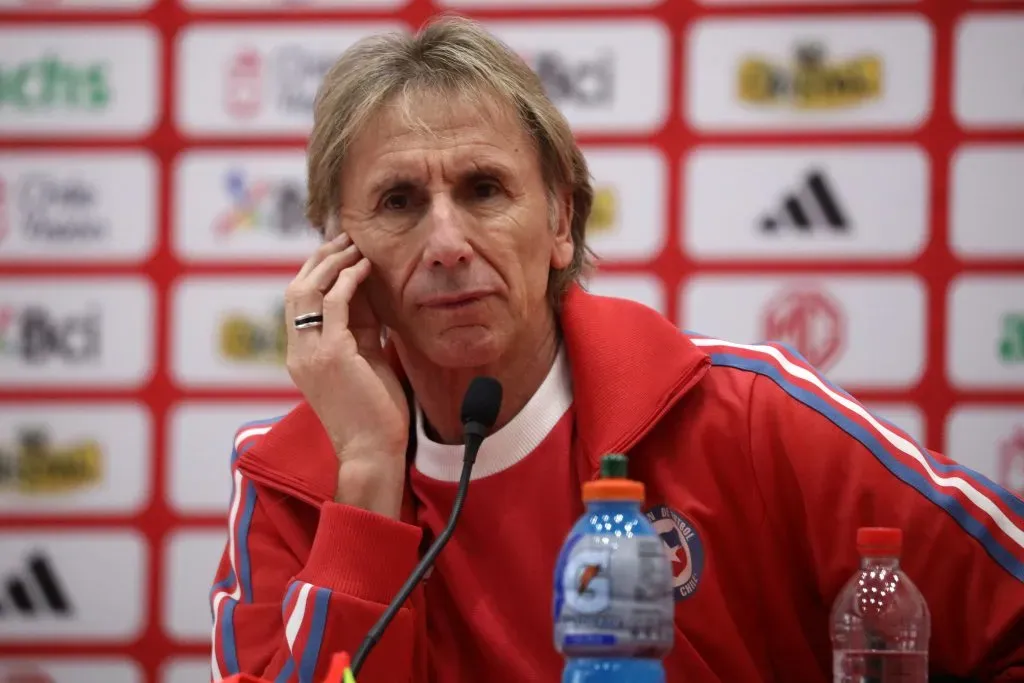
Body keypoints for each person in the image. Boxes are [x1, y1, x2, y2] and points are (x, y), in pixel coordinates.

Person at [207, 15, 1024, 683]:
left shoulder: (741, 416)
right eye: (399, 201)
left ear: (561, 221)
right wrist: (366, 475)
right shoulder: (289, 486)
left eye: (485, 189)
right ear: (339, 257)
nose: (448, 240)